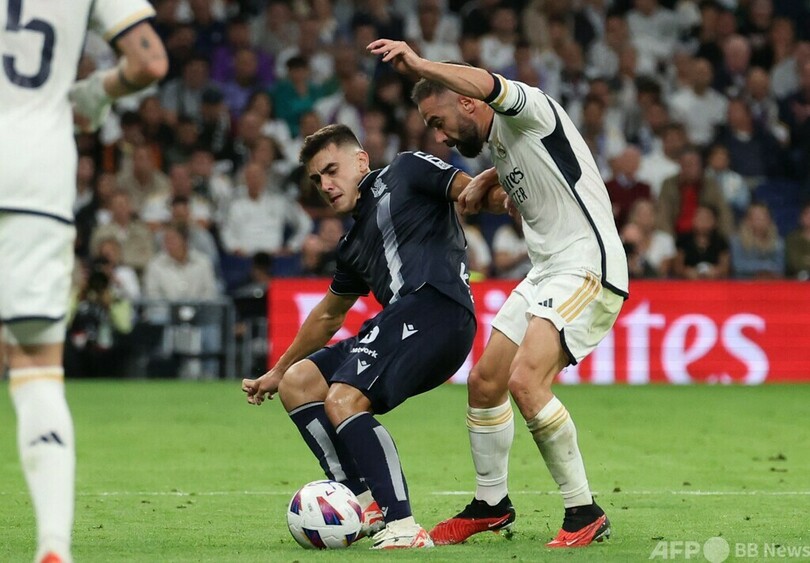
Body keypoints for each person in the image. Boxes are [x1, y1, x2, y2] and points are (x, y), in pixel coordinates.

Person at [368, 38, 628, 547]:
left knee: (526, 381)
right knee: (485, 382)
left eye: (438, 120)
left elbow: (490, 85)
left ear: (467, 102)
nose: (438, 136)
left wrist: (419, 64)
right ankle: (492, 504)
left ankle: (584, 511)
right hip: (545, 271)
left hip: (587, 266)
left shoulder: (530, 108)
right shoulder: (504, 140)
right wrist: (490, 178)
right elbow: (524, 161)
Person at [241, 124, 502, 549]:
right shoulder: (351, 243)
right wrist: (278, 370)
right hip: (402, 318)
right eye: (317, 179)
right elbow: (329, 315)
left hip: (438, 309)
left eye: (331, 170)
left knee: (343, 399)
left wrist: (508, 195)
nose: (326, 185)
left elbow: (469, 191)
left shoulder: (406, 170)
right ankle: (364, 504)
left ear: (361, 160)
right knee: (299, 383)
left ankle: (403, 526)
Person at [0, 0, 167, 561]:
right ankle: (52, 544)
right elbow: (148, 61)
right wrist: (94, 93)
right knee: (35, 368)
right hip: (36, 180)